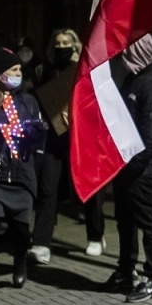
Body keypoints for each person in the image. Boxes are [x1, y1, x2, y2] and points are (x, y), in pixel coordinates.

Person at [0, 42, 47, 304]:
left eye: (19, 70)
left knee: (21, 232)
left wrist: (38, 132)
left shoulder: (28, 101)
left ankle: (20, 260)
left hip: (22, 175)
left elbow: (38, 140)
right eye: (12, 70)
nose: (17, 74)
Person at [31, 29, 106, 264]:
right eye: (58, 43)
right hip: (54, 138)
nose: (61, 47)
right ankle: (41, 243)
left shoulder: (83, 70)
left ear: (75, 46)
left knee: (89, 187)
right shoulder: (45, 71)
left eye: (66, 43)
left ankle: (96, 235)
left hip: (81, 137)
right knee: (48, 188)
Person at [106, 34, 152, 302]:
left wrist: (134, 166)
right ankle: (125, 270)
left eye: (128, 51)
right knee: (125, 220)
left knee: (148, 221)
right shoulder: (134, 79)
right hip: (126, 165)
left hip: (141, 167)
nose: (123, 56)